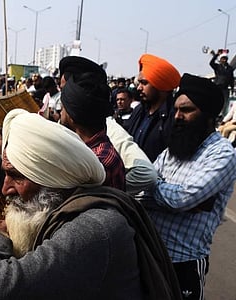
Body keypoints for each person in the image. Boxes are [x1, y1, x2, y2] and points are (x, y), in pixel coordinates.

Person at [0, 109, 181, 300]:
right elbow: (17, 175)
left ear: (52, 180)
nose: (4, 189)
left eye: (14, 176)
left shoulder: (93, 230)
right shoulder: (70, 197)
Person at [140, 73, 236, 300]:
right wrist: (167, 195)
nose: (178, 116)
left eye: (187, 110)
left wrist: (160, 191)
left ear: (209, 116)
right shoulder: (172, 150)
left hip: (184, 264)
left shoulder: (222, 154)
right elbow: (141, 190)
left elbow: (181, 198)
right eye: (176, 110)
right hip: (150, 256)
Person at [58, 55, 157, 197]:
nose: (61, 105)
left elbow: (148, 175)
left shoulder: (101, 159)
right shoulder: (82, 141)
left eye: (65, 95)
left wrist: (104, 188)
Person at [58, 56, 126, 190]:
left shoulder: (97, 163)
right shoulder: (88, 150)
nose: (60, 111)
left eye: (63, 106)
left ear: (72, 116)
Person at [124, 53, 181, 162]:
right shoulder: (139, 110)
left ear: (160, 85)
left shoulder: (173, 116)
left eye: (144, 83)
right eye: (139, 83)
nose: (139, 88)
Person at [209, 49, 234, 117]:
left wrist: (232, 87)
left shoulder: (230, 68)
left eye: (225, 59)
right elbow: (211, 63)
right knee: (216, 101)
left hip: (225, 88)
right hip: (217, 87)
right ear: (220, 59)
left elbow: (231, 79)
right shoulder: (217, 67)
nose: (224, 60)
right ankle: (214, 114)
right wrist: (217, 54)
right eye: (223, 59)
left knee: (225, 103)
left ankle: (222, 116)